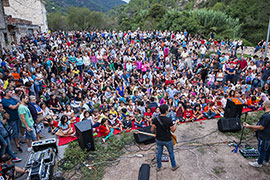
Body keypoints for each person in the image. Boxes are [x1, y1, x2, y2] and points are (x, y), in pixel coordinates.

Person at [151, 104, 179, 171]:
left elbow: (152, 129)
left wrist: (156, 133)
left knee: (159, 153)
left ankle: (159, 167)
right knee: (171, 153)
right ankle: (174, 166)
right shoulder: (168, 120)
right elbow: (173, 130)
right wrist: (176, 123)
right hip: (167, 139)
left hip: (159, 139)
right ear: (166, 111)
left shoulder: (155, 119)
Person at [244, 100, 270, 168]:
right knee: (267, 149)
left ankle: (259, 163)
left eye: (263, 104)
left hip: (264, 136)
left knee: (262, 149)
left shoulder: (266, 116)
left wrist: (249, 126)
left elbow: (261, 127)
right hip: (268, 135)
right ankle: (266, 161)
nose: (262, 106)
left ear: (266, 106)